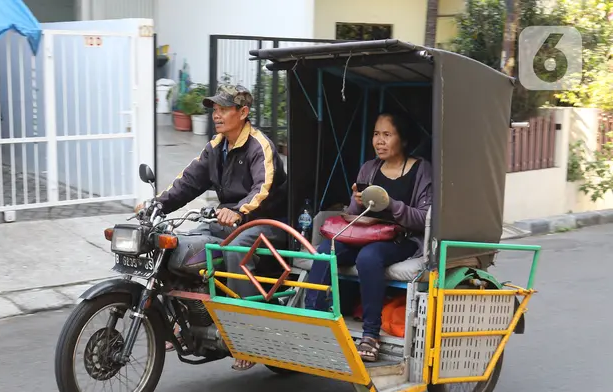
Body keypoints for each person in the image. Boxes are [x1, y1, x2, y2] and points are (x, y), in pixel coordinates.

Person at [135, 84, 288, 371]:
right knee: (177, 245)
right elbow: (188, 182)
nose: (216, 115)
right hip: (227, 221)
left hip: (269, 223)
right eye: (215, 109)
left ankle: (247, 336)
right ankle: (180, 320)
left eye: (223, 109)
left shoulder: (259, 146)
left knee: (235, 250)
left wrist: (237, 211)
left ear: (243, 112)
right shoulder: (217, 146)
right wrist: (155, 205)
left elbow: (263, 189)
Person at [304, 111, 432, 362]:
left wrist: (391, 205)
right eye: (376, 134)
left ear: (403, 140)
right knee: (325, 250)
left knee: (368, 258)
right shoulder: (370, 168)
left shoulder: (421, 169)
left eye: (387, 134)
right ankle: (314, 320)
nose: (379, 141)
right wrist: (356, 200)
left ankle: (370, 334)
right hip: (365, 232)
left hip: (401, 239)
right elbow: (354, 215)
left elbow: (423, 218)